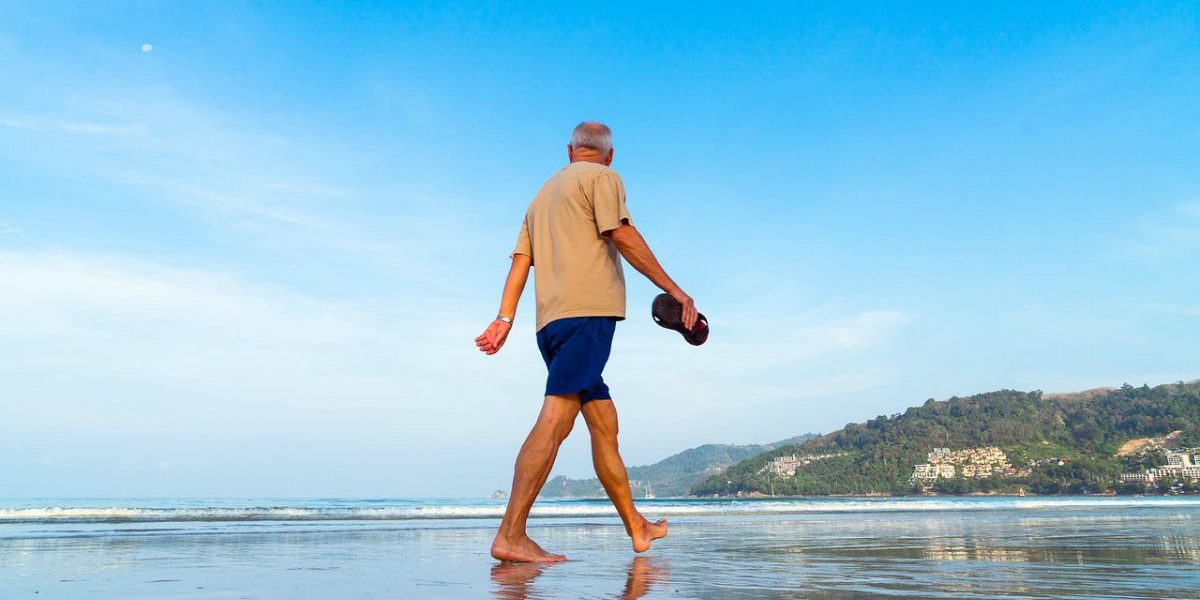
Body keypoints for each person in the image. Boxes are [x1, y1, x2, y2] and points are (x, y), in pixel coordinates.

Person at [476, 121, 700, 563]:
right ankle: (511, 534)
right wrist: (676, 291)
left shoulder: (540, 198)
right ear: (609, 155)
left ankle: (636, 527)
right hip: (587, 316)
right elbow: (621, 234)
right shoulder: (604, 179)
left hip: (550, 325)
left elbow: (521, 263)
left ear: (569, 150)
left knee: (603, 422)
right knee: (556, 418)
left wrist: (504, 318)